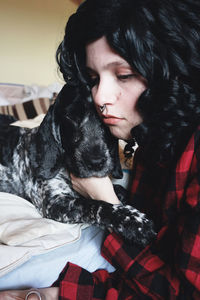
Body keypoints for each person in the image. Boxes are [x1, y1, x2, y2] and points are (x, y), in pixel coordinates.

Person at [1, 0, 200, 298]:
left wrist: (104, 199)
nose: (99, 97)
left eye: (124, 75)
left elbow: (180, 292)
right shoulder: (149, 135)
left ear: (171, 71)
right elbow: (150, 258)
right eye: (93, 79)